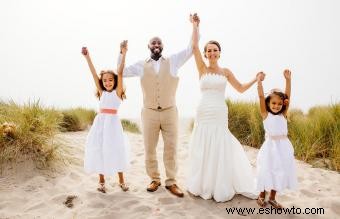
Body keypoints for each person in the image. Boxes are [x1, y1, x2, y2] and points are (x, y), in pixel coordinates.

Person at [117, 15, 199, 197]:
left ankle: (171, 182)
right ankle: (154, 179)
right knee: (149, 148)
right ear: (148, 46)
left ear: (162, 47)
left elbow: (191, 49)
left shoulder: (173, 61)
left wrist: (195, 26)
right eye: (153, 43)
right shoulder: (140, 65)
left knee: (171, 148)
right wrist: (122, 53)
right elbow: (120, 71)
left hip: (170, 112)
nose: (156, 45)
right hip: (149, 113)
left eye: (159, 43)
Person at [187, 13, 264, 202]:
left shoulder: (226, 72)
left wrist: (256, 79)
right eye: (209, 51)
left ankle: (221, 182)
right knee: (203, 143)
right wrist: (195, 26)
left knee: (220, 142)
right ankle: (204, 183)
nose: (212, 53)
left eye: (215, 50)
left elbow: (240, 88)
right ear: (205, 54)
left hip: (219, 111)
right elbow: (195, 46)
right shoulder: (202, 69)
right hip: (204, 110)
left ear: (219, 53)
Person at [81, 42, 130, 193]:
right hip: (100, 124)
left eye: (110, 80)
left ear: (115, 81)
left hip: (113, 125)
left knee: (116, 150)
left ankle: (121, 180)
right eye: (105, 80)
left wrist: (123, 53)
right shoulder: (102, 93)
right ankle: (101, 182)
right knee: (101, 150)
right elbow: (94, 73)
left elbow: (120, 73)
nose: (107, 82)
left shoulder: (117, 93)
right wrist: (87, 57)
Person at [256, 69, 298, 208]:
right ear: (269, 103)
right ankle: (261, 195)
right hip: (270, 146)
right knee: (266, 169)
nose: (276, 106)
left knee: (279, 171)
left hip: (283, 146)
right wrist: (259, 83)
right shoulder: (265, 115)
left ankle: (273, 197)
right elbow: (261, 97)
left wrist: (288, 80)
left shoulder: (283, 115)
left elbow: (288, 97)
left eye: (279, 104)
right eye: (273, 103)